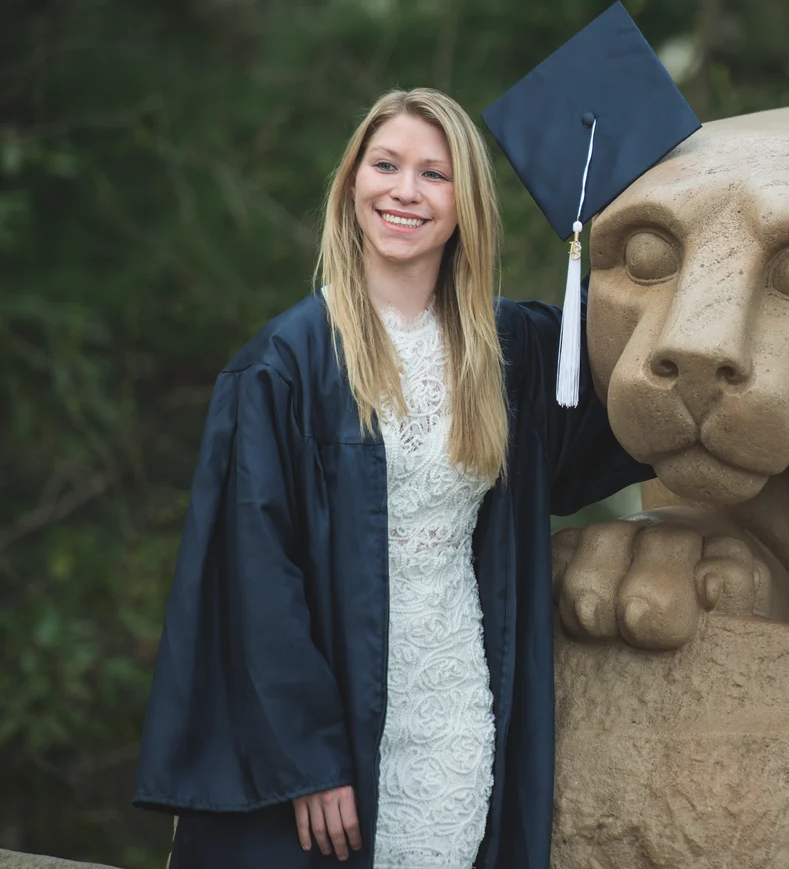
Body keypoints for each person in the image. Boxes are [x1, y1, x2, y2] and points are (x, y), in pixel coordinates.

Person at [132, 85, 655, 868]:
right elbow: (256, 578)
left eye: (433, 174)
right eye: (385, 165)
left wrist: (627, 221)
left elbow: (637, 396)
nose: (403, 191)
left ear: (465, 202)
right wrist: (308, 762)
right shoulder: (286, 365)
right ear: (351, 186)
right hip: (329, 719)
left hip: (454, 710)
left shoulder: (511, 350)